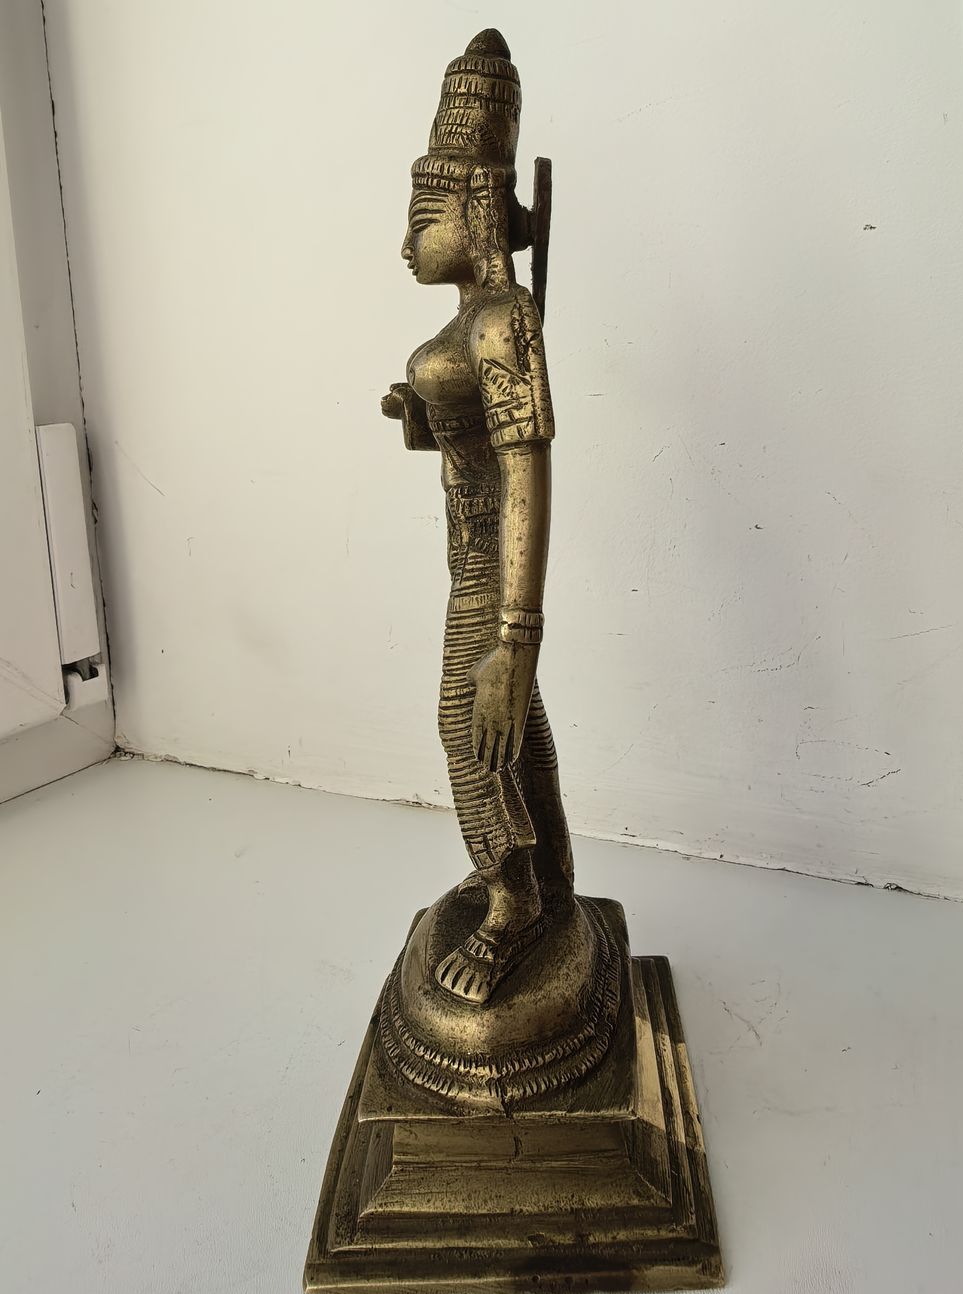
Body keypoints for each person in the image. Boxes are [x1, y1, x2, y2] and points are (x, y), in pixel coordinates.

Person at [381, 30, 573, 1005]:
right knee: (511, 729)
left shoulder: (501, 322)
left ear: (471, 206)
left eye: (420, 217)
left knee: (468, 726)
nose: (404, 243)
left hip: (492, 573)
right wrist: (419, 413)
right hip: (470, 559)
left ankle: (514, 902)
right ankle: (548, 872)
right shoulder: (476, 321)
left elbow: (528, 468)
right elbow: (474, 452)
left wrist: (517, 635)